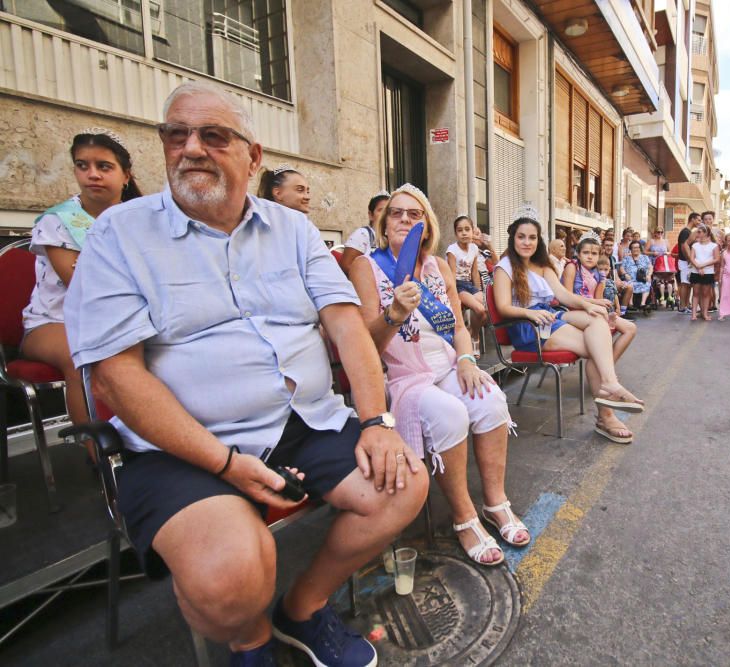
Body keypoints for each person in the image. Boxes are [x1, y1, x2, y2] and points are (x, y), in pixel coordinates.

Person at [64, 82, 428, 665]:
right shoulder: (119, 233)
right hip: (183, 445)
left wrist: (378, 421)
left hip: (302, 421)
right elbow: (115, 376)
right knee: (233, 577)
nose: (191, 149)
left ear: (252, 156)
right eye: (176, 135)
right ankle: (250, 641)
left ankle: (302, 609)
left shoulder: (294, 229)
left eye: (213, 136)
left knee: (404, 483)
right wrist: (225, 464)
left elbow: (346, 327)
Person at [349, 185, 528, 566]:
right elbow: (364, 343)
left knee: (491, 400)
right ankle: (464, 518)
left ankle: (496, 503)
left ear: (426, 227)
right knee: (451, 414)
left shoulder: (438, 267)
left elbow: (459, 328)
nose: (404, 220)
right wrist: (394, 314)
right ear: (383, 222)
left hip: (447, 365)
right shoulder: (367, 266)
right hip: (402, 377)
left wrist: (466, 359)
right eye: (396, 213)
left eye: (414, 215)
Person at [22, 128, 143, 437]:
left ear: (125, 175)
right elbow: (83, 287)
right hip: (55, 322)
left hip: (120, 316)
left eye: (104, 166)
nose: (92, 175)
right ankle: (100, 459)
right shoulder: (59, 221)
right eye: (82, 165)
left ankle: (154, 440)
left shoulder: (140, 219)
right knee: (82, 354)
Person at [492, 207, 646, 438]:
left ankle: (609, 385)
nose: (527, 242)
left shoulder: (543, 265)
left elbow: (563, 295)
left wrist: (588, 304)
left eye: (532, 237)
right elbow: (503, 307)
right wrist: (529, 314)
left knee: (597, 318)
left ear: (539, 239)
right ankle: (606, 415)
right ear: (512, 237)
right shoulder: (505, 267)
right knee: (597, 349)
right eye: (521, 237)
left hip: (549, 315)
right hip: (527, 325)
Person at [563, 236, 638, 443]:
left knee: (630, 328)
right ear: (578, 253)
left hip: (593, 311)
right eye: (585, 252)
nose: (590, 256)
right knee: (597, 349)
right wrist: (596, 304)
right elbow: (567, 297)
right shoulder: (572, 267)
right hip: (575, 311)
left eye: (594, 253)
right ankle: (605, 381)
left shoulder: (598, 273)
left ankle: (607, 373)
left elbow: (600, 296)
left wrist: (608, 311)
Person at [447, 215, 487, 354]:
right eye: (460, 230)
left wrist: (479, 291)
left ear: (472, 231)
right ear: (456, 233)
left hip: (470, 285)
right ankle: (474, 337)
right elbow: (451, 274)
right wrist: (452, 295)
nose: (464, 233)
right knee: (480, 310)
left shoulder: (474, 248)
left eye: (467, 229)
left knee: (486, 308)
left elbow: (475, 272)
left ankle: (472, 333)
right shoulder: (452, 250)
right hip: (458, 286)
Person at [339, 190, 390, 271]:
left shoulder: (392, 238)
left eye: (388, 211)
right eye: (381, 210)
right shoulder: (362, 235)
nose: (385, 214)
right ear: (371, 215)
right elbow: (346, 266)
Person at [688, 225, 719, 321]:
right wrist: (698, 267)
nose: (698, 234)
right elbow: (692, 258)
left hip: (708, 272)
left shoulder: (714, 246)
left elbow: (716, 259)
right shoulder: (695, 245)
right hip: (695, 271)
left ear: (706, 233)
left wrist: (703, 266)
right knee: (696, 293)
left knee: (706, 293)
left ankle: (705, 313)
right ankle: (693, 314)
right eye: (697, 232)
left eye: (699, 232)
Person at [601, 236, 633, 318]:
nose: (609, 247)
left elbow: (615, 274)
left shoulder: (612, 259)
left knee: (629, 287)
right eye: (607, 245)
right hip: (603, 283)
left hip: (613, 282)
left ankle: (622, 313)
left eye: (611, 245)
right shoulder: (601, 258)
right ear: (603, 246)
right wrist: (615, 283)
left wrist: (620, 282)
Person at [676, 213, 701, 313]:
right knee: (684, 284)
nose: (699, 222)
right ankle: (682, 306)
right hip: (684, 261)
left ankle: (686, 305)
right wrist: (689, 260)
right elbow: (684, 247)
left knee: (688, 284)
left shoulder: (689, 231)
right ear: (692, 219)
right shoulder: (685, 232)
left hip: (688, 262)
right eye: (698, 220)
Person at [621, 240, 654, 314]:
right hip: (630, 279)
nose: (636, 249)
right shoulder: (626, 258)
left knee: (647, 283)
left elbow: (650, 267)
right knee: (630, 284)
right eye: (633, 247)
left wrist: (649, 275)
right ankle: (630, 304)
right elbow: (621, 268)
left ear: (640, 248)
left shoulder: (645, 257)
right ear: (631, 249)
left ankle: (643, 303)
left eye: (637, 247)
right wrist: (625, 274)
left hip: (642, 279)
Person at [646, 226, 671, 307]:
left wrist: (667, 253)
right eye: (658, 232)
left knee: (664, 280)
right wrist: (653, 253)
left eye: (661, 232)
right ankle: (653, 298)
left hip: (663, 263)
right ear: (655, 233)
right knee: (654, 281)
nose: (659, 234)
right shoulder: (651, 241)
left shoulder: (666, 241)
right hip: (654, 262)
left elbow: (669, 252)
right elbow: (644, 251)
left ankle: (664, 296)